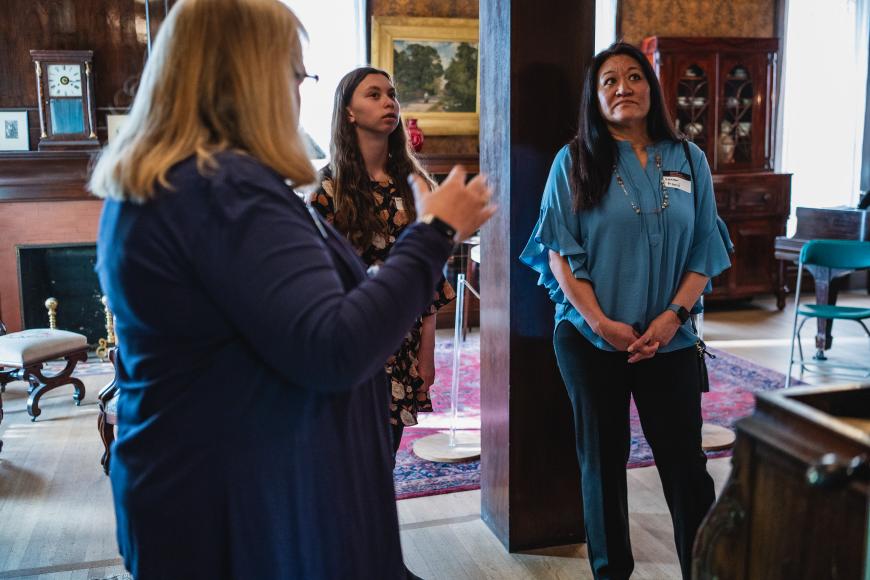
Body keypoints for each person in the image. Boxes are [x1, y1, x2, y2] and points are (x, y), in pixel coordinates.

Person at [88, 1, 495, 578]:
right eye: (295, 74)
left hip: (213, 494)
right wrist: (434, 234)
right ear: (252, 77)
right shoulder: (223, 191)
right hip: (236, 514)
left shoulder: (177, 181)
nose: (297, 92)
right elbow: (334, 346)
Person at [520, 41, 731, 580]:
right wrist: (600, 323)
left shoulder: (688, 159)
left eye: (633, 77)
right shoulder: (574, 161)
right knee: (602, 467)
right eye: (609, 80)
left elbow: (706, 245)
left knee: (687, 469)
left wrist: (672, 318)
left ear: (651, 88)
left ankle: (704, 571)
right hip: (592, 341)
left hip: (671, 339)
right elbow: (560, 252)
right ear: (595, 96)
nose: (622, 88)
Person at [310, 67, 454, 457]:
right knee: (348, 462)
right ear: (349, 113)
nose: (388, 101)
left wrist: (427, 354)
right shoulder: (326, 190)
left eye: (391, 94)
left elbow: (430, 278)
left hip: (402, 343)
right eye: (373, 95)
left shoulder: (416, 185)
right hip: (351, 340)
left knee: (384, 457)